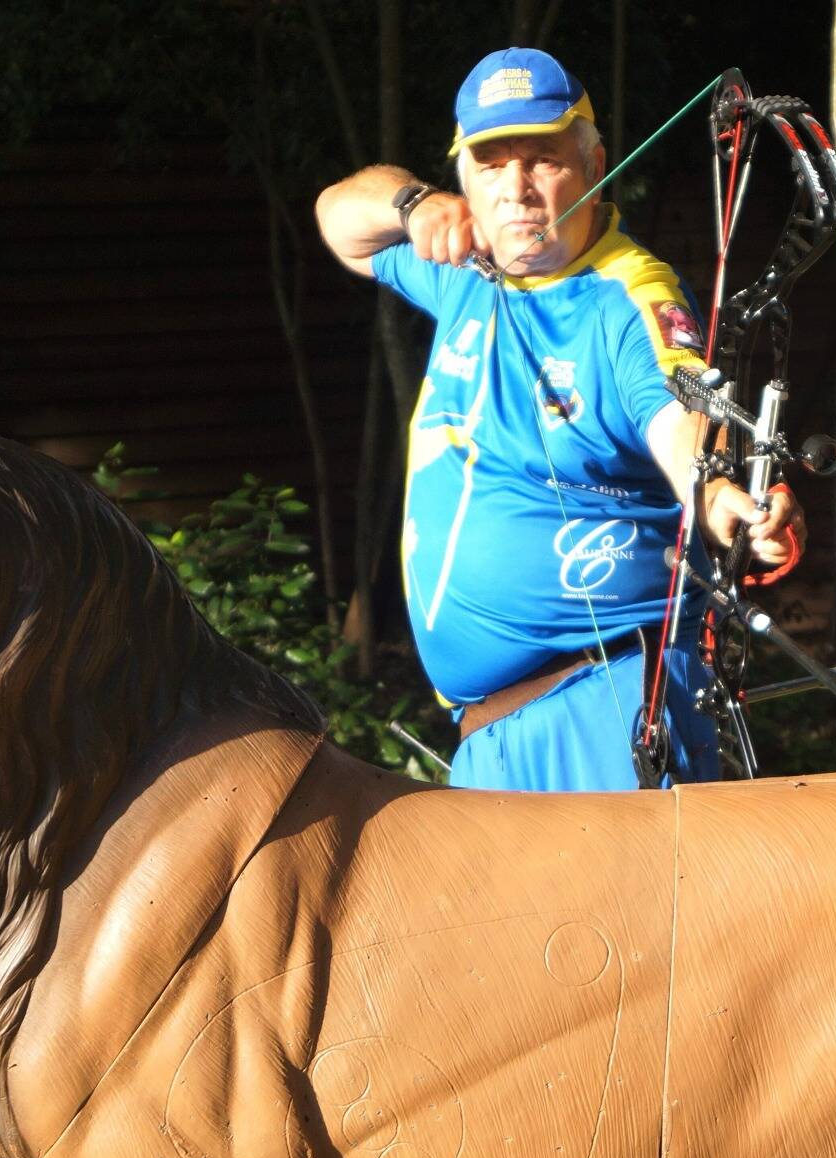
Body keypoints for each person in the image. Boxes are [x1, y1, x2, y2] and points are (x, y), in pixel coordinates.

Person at [315, 47, 803, 791]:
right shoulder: (465, 274)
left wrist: (721, 498)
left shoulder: (626, 296)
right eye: (489, 165)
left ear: (594, 161)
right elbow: (338, 217)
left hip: (607, 706)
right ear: (464, 181)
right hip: (490, 736)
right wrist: (414, 205)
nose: (516, 189)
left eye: (542, 159)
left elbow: (679, 420)